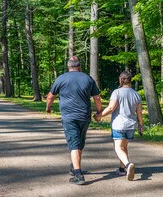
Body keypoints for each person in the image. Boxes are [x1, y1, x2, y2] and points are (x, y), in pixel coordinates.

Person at [46, 56, 102, 185]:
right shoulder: (87, 78)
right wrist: (99, 112)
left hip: (69, 116)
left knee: (74, 144)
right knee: (79, 142)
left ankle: (78, 175)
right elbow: (97, 97)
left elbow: (50, 96)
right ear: (79, 66)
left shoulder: (61, 78)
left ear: (68, 66)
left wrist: (48, 108)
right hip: (84, 116)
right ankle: (74, 167)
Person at [95, 71, 143, 181]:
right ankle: (122, 170)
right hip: (131, 125)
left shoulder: (117, 92)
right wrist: (141, 125)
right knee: (124, 147)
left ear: (121, 80)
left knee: (118, 147)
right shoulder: (136, 94)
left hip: (119, 125)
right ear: (130, 80)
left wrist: (99, 116)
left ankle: (127, 164)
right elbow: (139, 112)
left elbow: (111, 108)